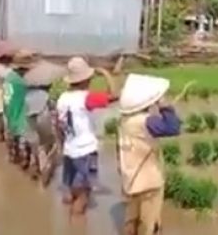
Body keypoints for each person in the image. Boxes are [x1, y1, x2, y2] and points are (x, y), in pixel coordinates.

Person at [117, 74, 181, 235]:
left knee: (131, 220)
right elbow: (173, 128)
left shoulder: (124, 120)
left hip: (130, 179)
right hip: (149, 182)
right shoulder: (147, 122)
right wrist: (166, 108)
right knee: (148, 224)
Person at [55, 57, 118, 218]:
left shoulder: (63, 98)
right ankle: (76, 225)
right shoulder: (86, 98)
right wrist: (106, 73)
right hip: (85, 150)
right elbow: (114, 95)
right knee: (83, 194)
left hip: (69, 150)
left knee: (70, 192)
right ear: (86, 79)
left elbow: (58, 124)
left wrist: (62, 145)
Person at [3, 50, 37, 164]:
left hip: (10, 117)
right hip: (21, 119)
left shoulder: (9, 78)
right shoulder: (22, 82)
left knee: (14, 149)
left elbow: (7, 100)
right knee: (25, 151)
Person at [0, 41, 15, 143]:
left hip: (3, 89)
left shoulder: (1, 68)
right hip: (1, 90)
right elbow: (8, 77)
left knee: (2, 111)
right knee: (0, 111)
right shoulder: (0, 69)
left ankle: (1, 134)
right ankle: (1, 133)